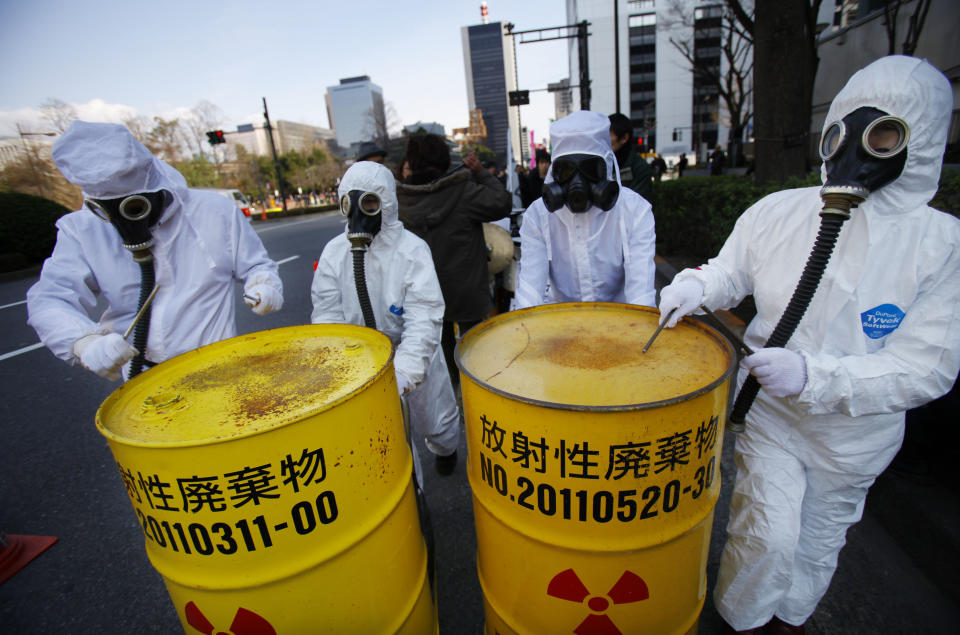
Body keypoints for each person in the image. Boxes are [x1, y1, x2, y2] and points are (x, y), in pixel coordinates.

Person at [656, 56, 960, 634]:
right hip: (770, 414)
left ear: (920, 143)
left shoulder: (941, 246)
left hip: (854, 438)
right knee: (766, 534)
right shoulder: (781, 213)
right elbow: (731, 271)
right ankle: (739, 620)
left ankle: (789, 621)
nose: (856, 150)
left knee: (817, 544)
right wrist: (696, 284)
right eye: (844, 129)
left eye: (885, 133)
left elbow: (928, 368)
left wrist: (816, 376)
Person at [27, 121, 283, 381]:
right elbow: (50, 298)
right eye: (113, 210)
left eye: (136, 207)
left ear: (149, 178)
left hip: (219, 366)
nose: (130, 222)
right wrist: (83, 341)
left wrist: (263, 284)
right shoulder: (83, 230)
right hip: (143, 375)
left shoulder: (214, 211)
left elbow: (256, 265)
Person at [311, 161, 460, 474]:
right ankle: (408, 486)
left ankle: (445, 449)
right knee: (388, 439)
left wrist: (405, 372)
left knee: (436, 417)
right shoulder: (335, 254)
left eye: (369, 202)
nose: (358, 214)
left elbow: (424, 315)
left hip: (412, 350)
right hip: (361, 361)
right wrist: (342, 368)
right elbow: (327, 317)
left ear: (387, 204)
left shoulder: (411, 250)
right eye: (351, 203)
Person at [396, 134, 512, 385]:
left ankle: (450, 395)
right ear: (444, 160)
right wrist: (480, 172)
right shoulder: (462, 191)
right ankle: (475, 396)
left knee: (438, 350)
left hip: (422, 292)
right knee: (474, 351)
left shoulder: (400, 199)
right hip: (466, 290)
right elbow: (502, 203)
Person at [515, 110, 657, 309]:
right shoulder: (538, 217)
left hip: (622, 323)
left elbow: (641, 296)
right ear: (554, 173)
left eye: (590, 170)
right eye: (566, 171)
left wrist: (641, 334)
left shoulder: (635, 212)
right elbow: (530, 291)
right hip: (561, 324)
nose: (577, 183)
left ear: (607, 166)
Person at [608, 112, 653, 201]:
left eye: (608, 135)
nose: (603, 141)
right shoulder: (601, 163)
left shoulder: (639, 168)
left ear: (624, 138)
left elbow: (637, 205)